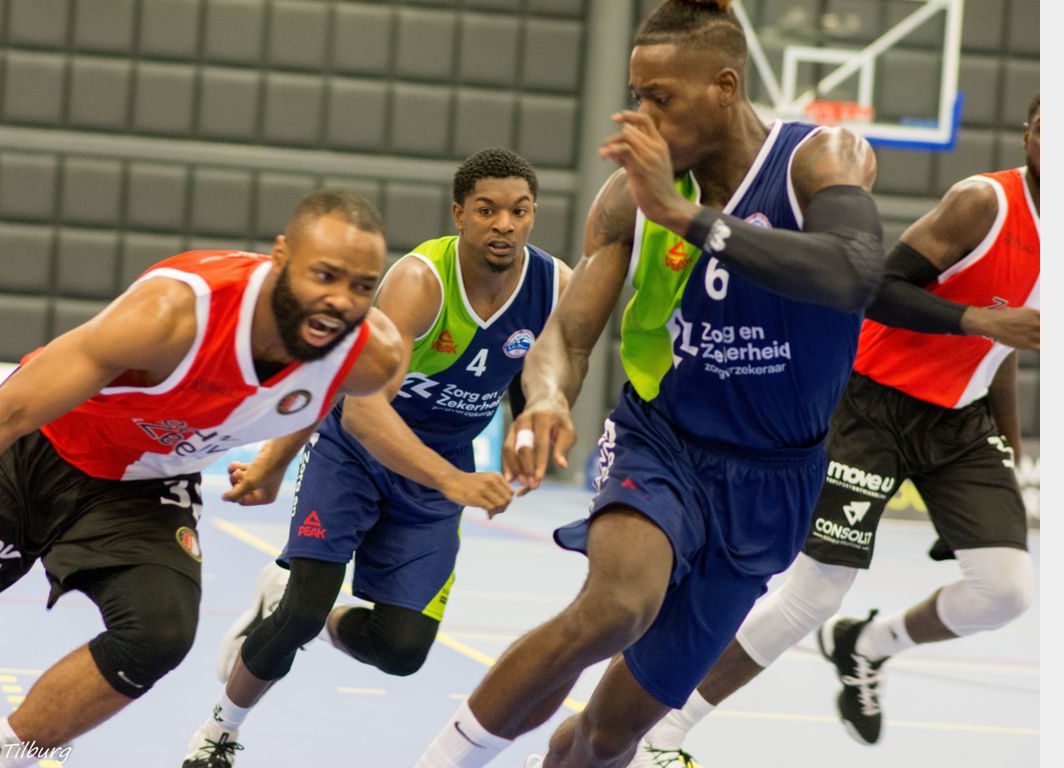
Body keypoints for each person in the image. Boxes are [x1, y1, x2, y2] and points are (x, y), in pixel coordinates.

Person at [415, 1, 890, 766]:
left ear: (725, 87)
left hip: (773, 481)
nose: (644, 118)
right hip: (662, 442)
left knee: (610, 735)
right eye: (638, 96)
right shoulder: (630, 197)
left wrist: (689, 217)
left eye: (660, 98)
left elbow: (855, 270)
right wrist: (546, 397)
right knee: (616, 606)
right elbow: (568, 334)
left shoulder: (818, 159)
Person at [0, 190, 404, 768]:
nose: (342, 300)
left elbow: (322, 390)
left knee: (159, 633)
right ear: (281, 257)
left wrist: (276, 461)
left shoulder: (368, 356)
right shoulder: (173, 315)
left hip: (147, 480)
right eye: (325, 276)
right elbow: (6, 414)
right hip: (43, 446)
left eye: (363, 286)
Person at [628, 93, 1041, 762]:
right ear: (1027, 134)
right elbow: (875, 288)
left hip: (959, 420)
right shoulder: (982, 203)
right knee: (815, 592)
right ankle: (663, 729)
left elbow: (1009, 340)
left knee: (1007, 590)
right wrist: (981, 321)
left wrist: (1009, 445)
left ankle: (867, 645)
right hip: (873, 401)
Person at [180, 148, 572, 767]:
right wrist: (455, 481)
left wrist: (532, 424)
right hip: (355, 454)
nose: (505, 224)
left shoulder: (554, 285)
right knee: (300, 613)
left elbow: (546, 372)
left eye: (519, 211)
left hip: (437, 465)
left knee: (401, 650)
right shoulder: (421, 281)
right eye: (487, 210)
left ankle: (296, 607)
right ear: (459, 214)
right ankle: (217, 734)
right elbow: (361, 410)